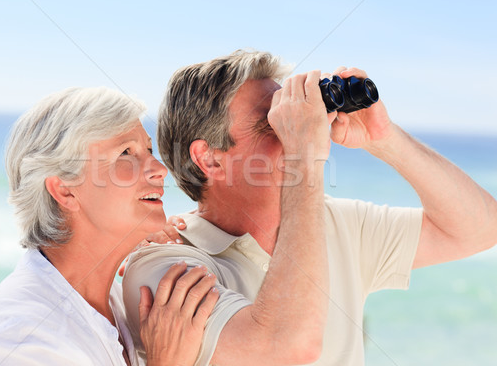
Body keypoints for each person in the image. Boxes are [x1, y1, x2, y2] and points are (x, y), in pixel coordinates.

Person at [121, 50, 497, 365]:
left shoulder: (336, 223)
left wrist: (385, 139)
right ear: (210, 159)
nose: (294, 130)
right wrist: (304, 155)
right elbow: (288, 346)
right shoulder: (166, 267)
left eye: (292, 118)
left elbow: (480, 228)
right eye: (273, 123)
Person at [0, 87, 220, 365]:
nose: (159, 169)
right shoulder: (21, 338)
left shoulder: (117, 302)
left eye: (149, 150)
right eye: (126, 153)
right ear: (65, 191)